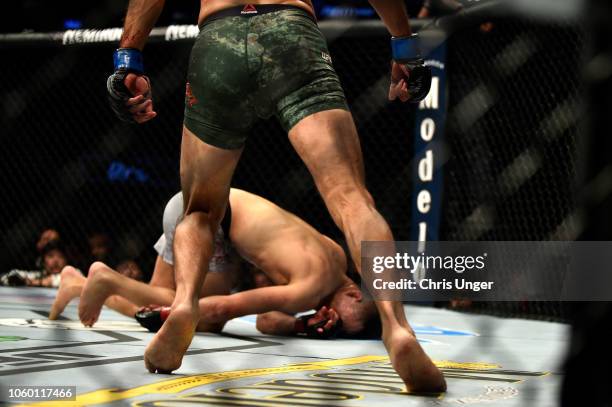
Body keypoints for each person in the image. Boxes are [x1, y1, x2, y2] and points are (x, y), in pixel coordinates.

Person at [106, 0, 444, 391]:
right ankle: (397, 328)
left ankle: (184, 304)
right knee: (351, 198)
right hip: (291, 37)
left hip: (219, 40)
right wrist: (404, 45)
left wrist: (128, 57)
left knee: (200, 209)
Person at [50, 189, 375, 338]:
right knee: (203, 317)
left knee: (152, 297)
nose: (336, 325)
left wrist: (300, 325)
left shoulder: (336, 255)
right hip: (207, 220)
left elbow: (264, 321)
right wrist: (180, 311)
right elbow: (223, 308)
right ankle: (107, 279)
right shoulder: (313, 286)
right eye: (346, 324)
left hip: (200, 207)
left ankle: (77, 284)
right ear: (355, 296)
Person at [1, 240, 73, 288]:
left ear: (66, 261)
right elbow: (9, 275)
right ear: (43, 261)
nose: (56, 261)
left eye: (61, 257)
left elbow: (66, 281)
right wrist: (15, 279)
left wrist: (35, 282)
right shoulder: (39, 275)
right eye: (50, 256)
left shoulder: (74, 273)